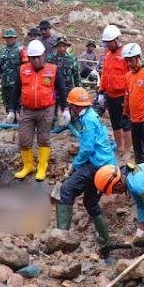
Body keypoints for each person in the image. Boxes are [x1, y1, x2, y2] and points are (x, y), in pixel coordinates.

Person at [53, 87, 116, 245]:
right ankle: (104, 239)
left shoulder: (88, 120)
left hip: (98, 165)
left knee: (66, 190)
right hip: (103, 165)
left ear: (75, 106)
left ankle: (61, 237)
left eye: (70, 106)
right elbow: (86, 141)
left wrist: (74, 165)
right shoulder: (89, 116)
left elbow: (87, 149)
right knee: (90, 202)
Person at [14, 40, 68, 181]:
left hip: (46, 109)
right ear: (29, 58)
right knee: (24, 139)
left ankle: (42, 167)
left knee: (44, 139)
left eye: (38, 57)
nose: (36, 60)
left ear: (44, 55)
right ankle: (28, 166)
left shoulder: (53, 69)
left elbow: (62, 90)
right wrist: (11, 109)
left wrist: (65, 109)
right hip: (27, 110)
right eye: (33, 58)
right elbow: (15, 90)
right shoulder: (22, 69)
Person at [98, 25, 132, 156]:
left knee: (125, 123)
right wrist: (101, 91)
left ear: (117, 39)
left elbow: (131, 75)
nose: (107, 45)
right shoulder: (107, 54)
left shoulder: (126, 54)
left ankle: (128, 150)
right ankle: (120, 147)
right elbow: (104, 74)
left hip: (123, 95)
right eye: (106, 42)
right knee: (115, 123)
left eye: (109, 42)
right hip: (110, 94)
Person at [0, 28, 23, 123]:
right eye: (6, 38)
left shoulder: (20, 50)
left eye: (10, 38)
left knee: (18, 103)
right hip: (5, 82)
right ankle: (10, 121)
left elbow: (25, 67)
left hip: (17, 83)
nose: (8, 39)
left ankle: (19, 122)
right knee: (6, 102)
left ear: (14, 38)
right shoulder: (3, 50)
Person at [47, 36, 81, 101]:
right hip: (54, 89)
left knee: (68, 108)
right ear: (56, 47)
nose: (62, 48)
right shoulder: (50, 59)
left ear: (67, 47)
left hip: (68, 89)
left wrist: (78, 90)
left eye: (64, 46)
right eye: (59, 46)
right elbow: (47, 75)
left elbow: (77, 76)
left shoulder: (72, 59)